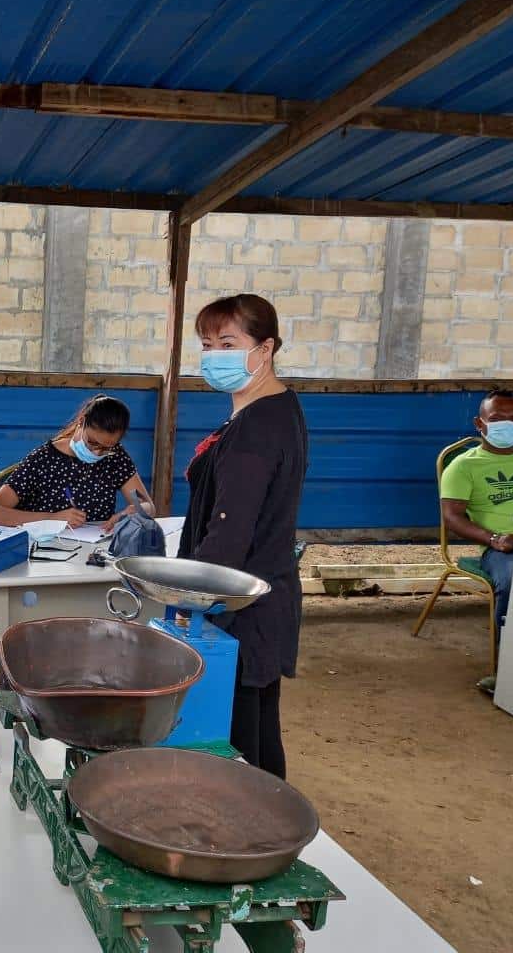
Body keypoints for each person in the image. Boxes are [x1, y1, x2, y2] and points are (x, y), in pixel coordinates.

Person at [179, 294, 307, 780]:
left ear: (265, 348)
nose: (214, 355)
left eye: (228, 343)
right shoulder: (277, 407)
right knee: (257, 733)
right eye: (207, 343)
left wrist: (189, 599)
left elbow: (229, 538)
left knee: (238, 746)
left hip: (239, 609)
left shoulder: (256, 428)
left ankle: (253, 839)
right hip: (263, 599)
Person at [439, 388, 513, 694]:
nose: (507, 424)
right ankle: (508, 671)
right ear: (480, 423)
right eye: (497, 418)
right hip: (500, 549)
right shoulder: (463, 465)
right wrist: (495, 539)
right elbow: (452, 517)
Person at [0, 395, 154, 530]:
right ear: (81, 422)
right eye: (92, 443)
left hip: (94, 552)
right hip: (47, 554)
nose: (97, 452)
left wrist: (130, 513)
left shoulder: (115, 457)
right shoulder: (43, 459)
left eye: (106, 447)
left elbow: (147, 505)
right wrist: (52, 518)